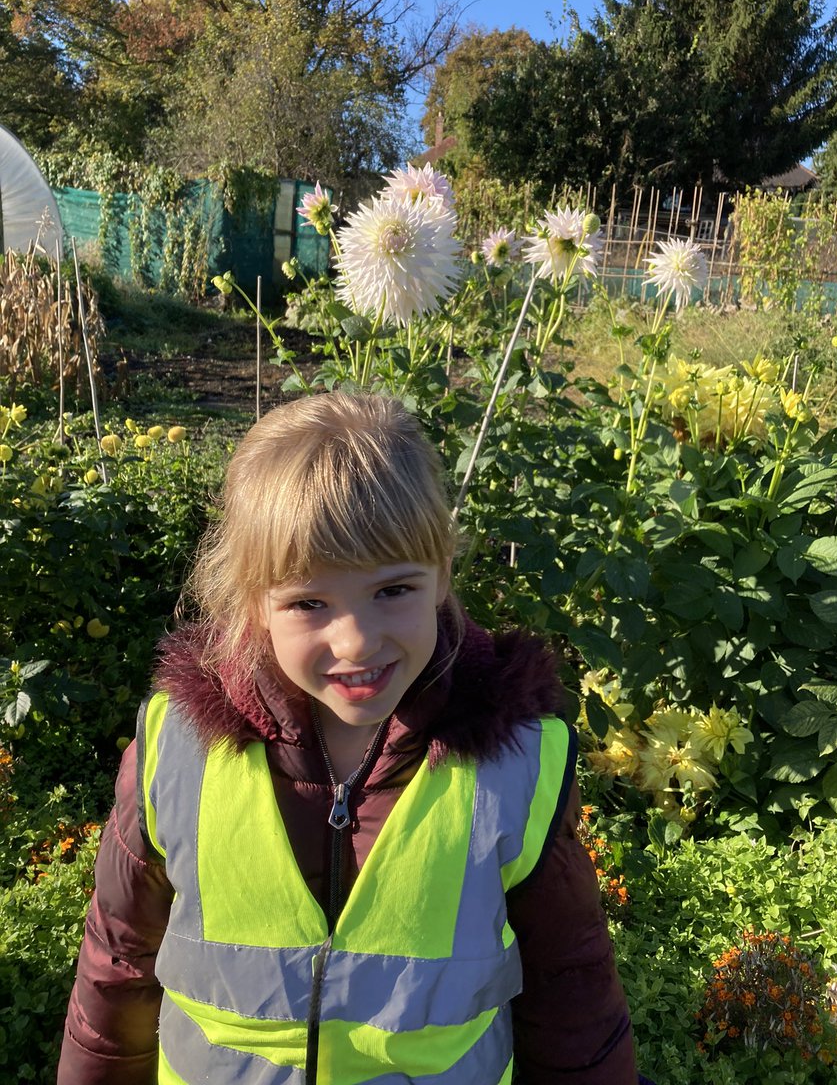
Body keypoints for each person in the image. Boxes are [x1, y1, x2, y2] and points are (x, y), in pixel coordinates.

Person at [58, 391, 638, 1084]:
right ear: (253, 602)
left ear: (442, 577)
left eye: (393, 590)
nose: (357, 641)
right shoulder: (176, 750)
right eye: (310, 603)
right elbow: (117, 966)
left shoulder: (514, 763)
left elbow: (570, 991)